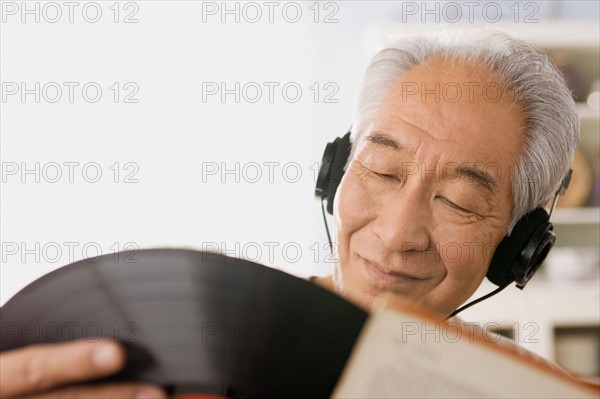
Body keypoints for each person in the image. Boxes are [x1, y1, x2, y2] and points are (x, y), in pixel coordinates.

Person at [0, 28, 580, 398]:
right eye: (381, 172)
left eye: (459, 201)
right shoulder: (191, 344)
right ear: (335, 174)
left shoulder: (515, 389)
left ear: (516, 246)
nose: (398, 233)